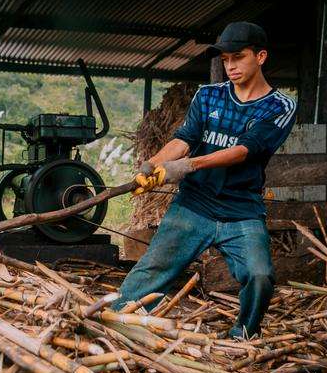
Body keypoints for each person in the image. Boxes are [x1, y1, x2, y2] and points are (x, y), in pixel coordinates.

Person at [113, 21, 297, 339]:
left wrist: (186, 166)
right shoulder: (208, 96)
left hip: (241, 209)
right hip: (193, 204)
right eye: (225, 60)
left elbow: (243, 151)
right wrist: (153, 165)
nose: (231, 66)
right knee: (151, 271)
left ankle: (243, 337)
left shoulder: (280, 107)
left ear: (261, 56)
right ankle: (117, 322)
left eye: (238, 57)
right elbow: (184, 139)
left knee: (260, 276)